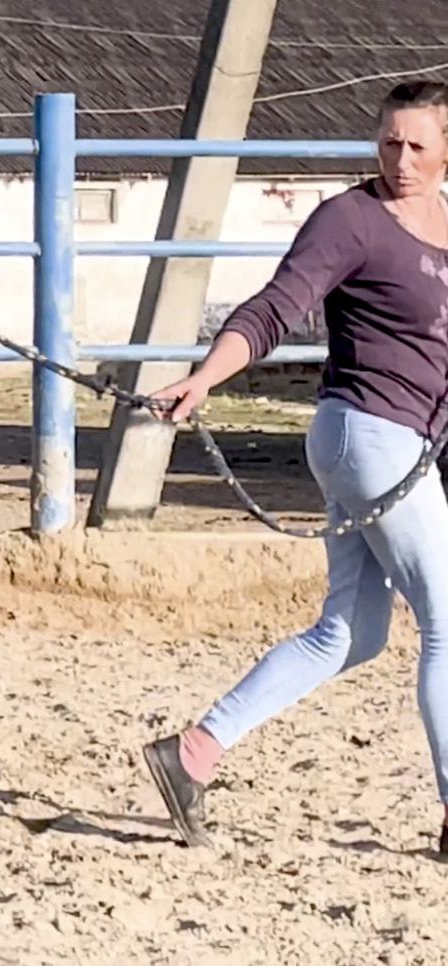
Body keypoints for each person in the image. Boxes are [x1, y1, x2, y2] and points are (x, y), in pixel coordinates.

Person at [141, 80, 448, 852]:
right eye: (388, 143)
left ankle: (191, 755)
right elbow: (277, 307)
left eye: (417, 146)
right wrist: (206, 377)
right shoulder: (352, 220)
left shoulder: (444, 226)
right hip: (369, 435)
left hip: (398, 446)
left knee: (352, 631)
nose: (400, 160)